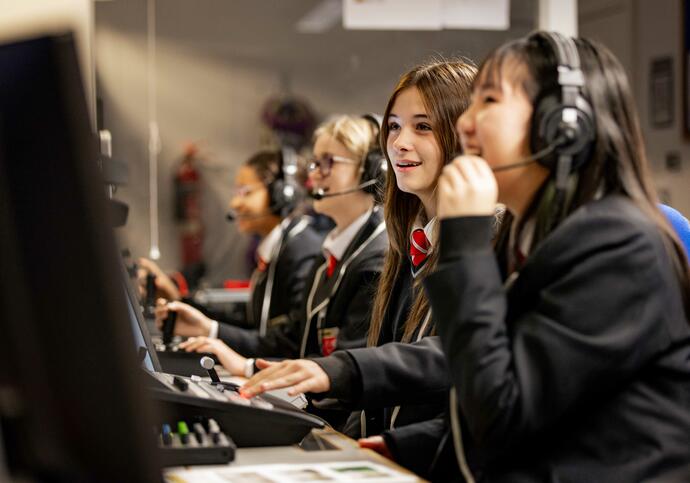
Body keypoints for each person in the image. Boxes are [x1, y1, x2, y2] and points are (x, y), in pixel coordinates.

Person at [243, 32, 690, 482]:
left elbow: (504, 415)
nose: (467, 123)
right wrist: (404, 445)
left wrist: (465, 243)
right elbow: (523, 398)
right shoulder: (537, 237)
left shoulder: (617, 246)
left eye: (489, 101)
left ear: (562, 126)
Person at [240, 59, 477, 449]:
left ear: (466, 136)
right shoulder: (407, 246)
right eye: (395, 127)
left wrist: (339, 374)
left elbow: (451, 357)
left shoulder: (488, 244)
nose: (400, 143)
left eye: (423, 126)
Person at [165, 115, 388, 382]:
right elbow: (296, 340)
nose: (313, 175)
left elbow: (344, 372)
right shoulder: (330, 253)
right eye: (314, 163)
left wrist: (248, 367)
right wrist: (214, 333)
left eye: (327, 162)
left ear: (372, 171)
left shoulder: (374, 258)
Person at [154, 150, 324, 343]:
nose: (235, 203)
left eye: (246, 192)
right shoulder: (280, 249)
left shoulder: (301, 251)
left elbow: (289, 343)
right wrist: (180, 302)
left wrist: (211, 331)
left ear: (282, 194)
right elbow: (249, 325)